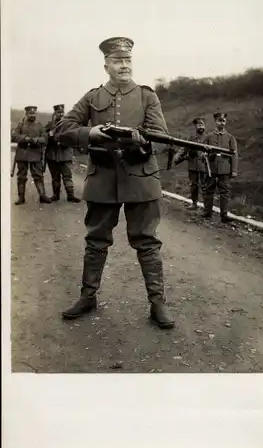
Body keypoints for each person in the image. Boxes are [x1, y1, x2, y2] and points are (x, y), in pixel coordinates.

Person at [53, 36, 175, 329]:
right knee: (96, 241)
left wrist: (140, 142)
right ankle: (88, 296)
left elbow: (159, 136)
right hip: (103, 180)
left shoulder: (147, 96)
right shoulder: (93, 97)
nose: (124, 65)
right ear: (106, 64)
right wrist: (92, 133)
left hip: (141, 179)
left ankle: (157, 304)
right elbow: (63, 129)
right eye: (118, 61)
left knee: (147, 242)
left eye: (128, 60)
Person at [11, 105, 51, 205]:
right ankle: (21, 198)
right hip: (22, 155)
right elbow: (14, 136)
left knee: (38, 176)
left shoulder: (40, 125)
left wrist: (36, 140)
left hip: (35, 154)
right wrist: (25, 139)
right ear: (26, 114)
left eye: (34, 113)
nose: (32, 115)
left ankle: (42, 196)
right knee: (21, 176)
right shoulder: (20, 125)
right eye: (30, 113)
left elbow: (45, 139)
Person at [203, 112, 238, 222]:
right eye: (219, 120)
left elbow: (234, 155)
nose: (221, 123)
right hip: (211, 167)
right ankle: (207, 212)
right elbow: (201, 152)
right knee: (209, 190)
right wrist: (207, 155)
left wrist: (234, 170)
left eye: (223, 121)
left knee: (224, 192)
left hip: (225, 169)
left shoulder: (230, 138)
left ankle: (224, 215)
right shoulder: (208, 136)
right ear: (215, 122)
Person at [173, 117, 212, 214]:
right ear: (195, 126)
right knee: (193, 185)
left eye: (202, 125)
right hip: (192, 164)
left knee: (204, 186)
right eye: (199, 125)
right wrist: (177, 157)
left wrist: (207, 155)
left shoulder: (208, 137)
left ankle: (206, 207)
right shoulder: (191, 137)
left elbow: (212, 149)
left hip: (203, 164)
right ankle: (194, 204)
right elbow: (184, 148)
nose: (201, 127)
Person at [45, 104, 81, 202]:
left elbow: (74, 137)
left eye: (62, 112)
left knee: (67, 176)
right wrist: (49, 135)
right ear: (55, 113)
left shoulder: (69, 125)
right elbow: (44, 138)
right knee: (55, 177)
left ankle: (71, 195)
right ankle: (55, 195)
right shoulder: (50, 125)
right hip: (52, 155)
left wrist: (63, 141)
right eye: (58, 112)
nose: (60, 114)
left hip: (65, 155)